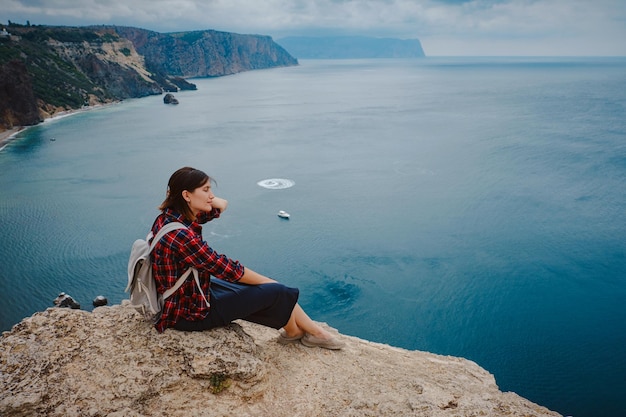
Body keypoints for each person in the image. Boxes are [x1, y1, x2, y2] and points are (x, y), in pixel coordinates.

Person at [150, 166, 344, 350]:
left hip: (186, 295)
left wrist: (200, 197)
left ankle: (296, 331)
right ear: (186, 195)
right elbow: (226, 269)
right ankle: (308, 333)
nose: (212, 196)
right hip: (190, 314)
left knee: (265, 289)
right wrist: (269, 282)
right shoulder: (182, 237)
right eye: (206, 189)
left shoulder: (170, 218)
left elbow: (222, 205)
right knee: (275, 290)